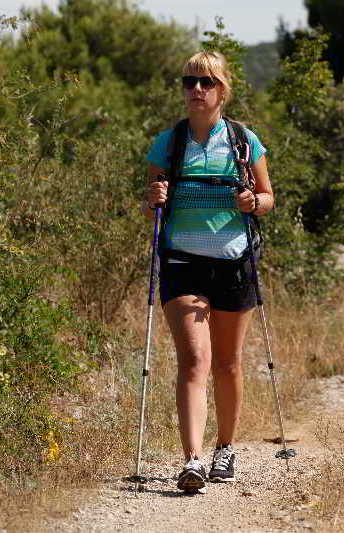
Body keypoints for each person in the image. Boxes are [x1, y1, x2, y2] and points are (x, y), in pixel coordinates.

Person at [142, 50, 273, 493]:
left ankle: (225, 448)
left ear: (223, 90)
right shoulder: (168, 143)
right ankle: (193, 459)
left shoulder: (243, 141)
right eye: (189, 82)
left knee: (228, 365)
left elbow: (269, 197)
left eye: (207, 82)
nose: (197, 89)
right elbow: (151, 209)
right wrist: (154, 197)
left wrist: (255, 202)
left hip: (234, 262)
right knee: (195, 360)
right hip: (182, 263)